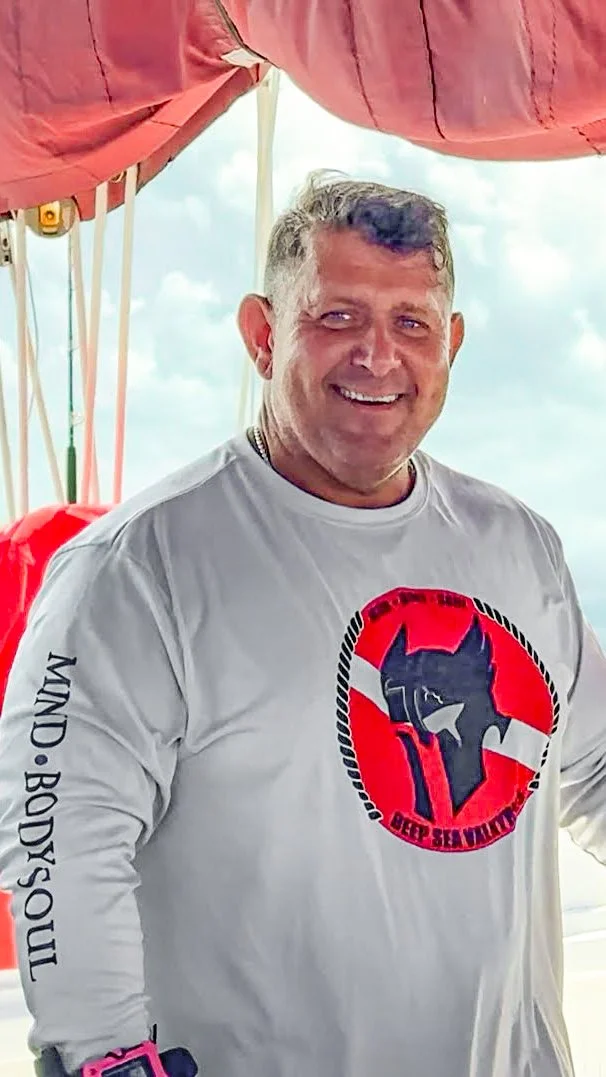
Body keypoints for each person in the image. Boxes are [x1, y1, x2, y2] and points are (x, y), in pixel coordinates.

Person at [0, 169, 605, 1077]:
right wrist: (106, 1059)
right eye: (336, 317)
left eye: (412, 323)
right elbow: (61, 840)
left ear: (454, 344)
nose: (377, 355)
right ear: (260, 334)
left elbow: (593, 764)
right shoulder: (138, 567)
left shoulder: (517, 546)